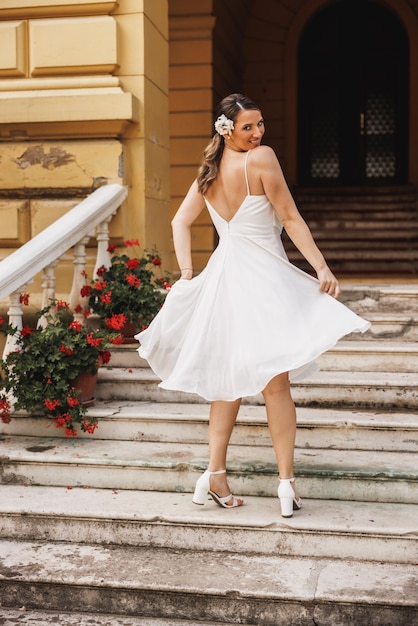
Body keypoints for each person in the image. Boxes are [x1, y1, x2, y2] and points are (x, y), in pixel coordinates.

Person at [136, 93, 370, 518]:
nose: (258, 133)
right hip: (262, 280)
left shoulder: (209, 172)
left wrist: (188, 271)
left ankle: (214, 474)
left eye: (260, 125)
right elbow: (292, 218)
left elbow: (179, 221)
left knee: (228, 382)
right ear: (227, 129)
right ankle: (286, 484)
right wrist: (321, 267)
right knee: (276, 386)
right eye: (248, 126)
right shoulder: (261, 159)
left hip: (224, 279)